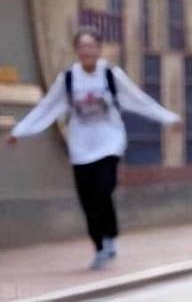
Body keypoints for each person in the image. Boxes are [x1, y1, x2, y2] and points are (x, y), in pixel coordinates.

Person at [4, 26, 181, 270]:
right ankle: (100, 245)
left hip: (109, 142)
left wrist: (168, 118)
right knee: (88, 200)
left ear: (98, 49)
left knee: (103, 190)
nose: (87, 50)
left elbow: (138, 99)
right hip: (80, 147)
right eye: (82, 46)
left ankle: (110, 235)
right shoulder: (68, 79)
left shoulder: (110, 75)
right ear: (76, 50)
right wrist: (20, 131)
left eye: (91, 45)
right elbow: (47, 107)